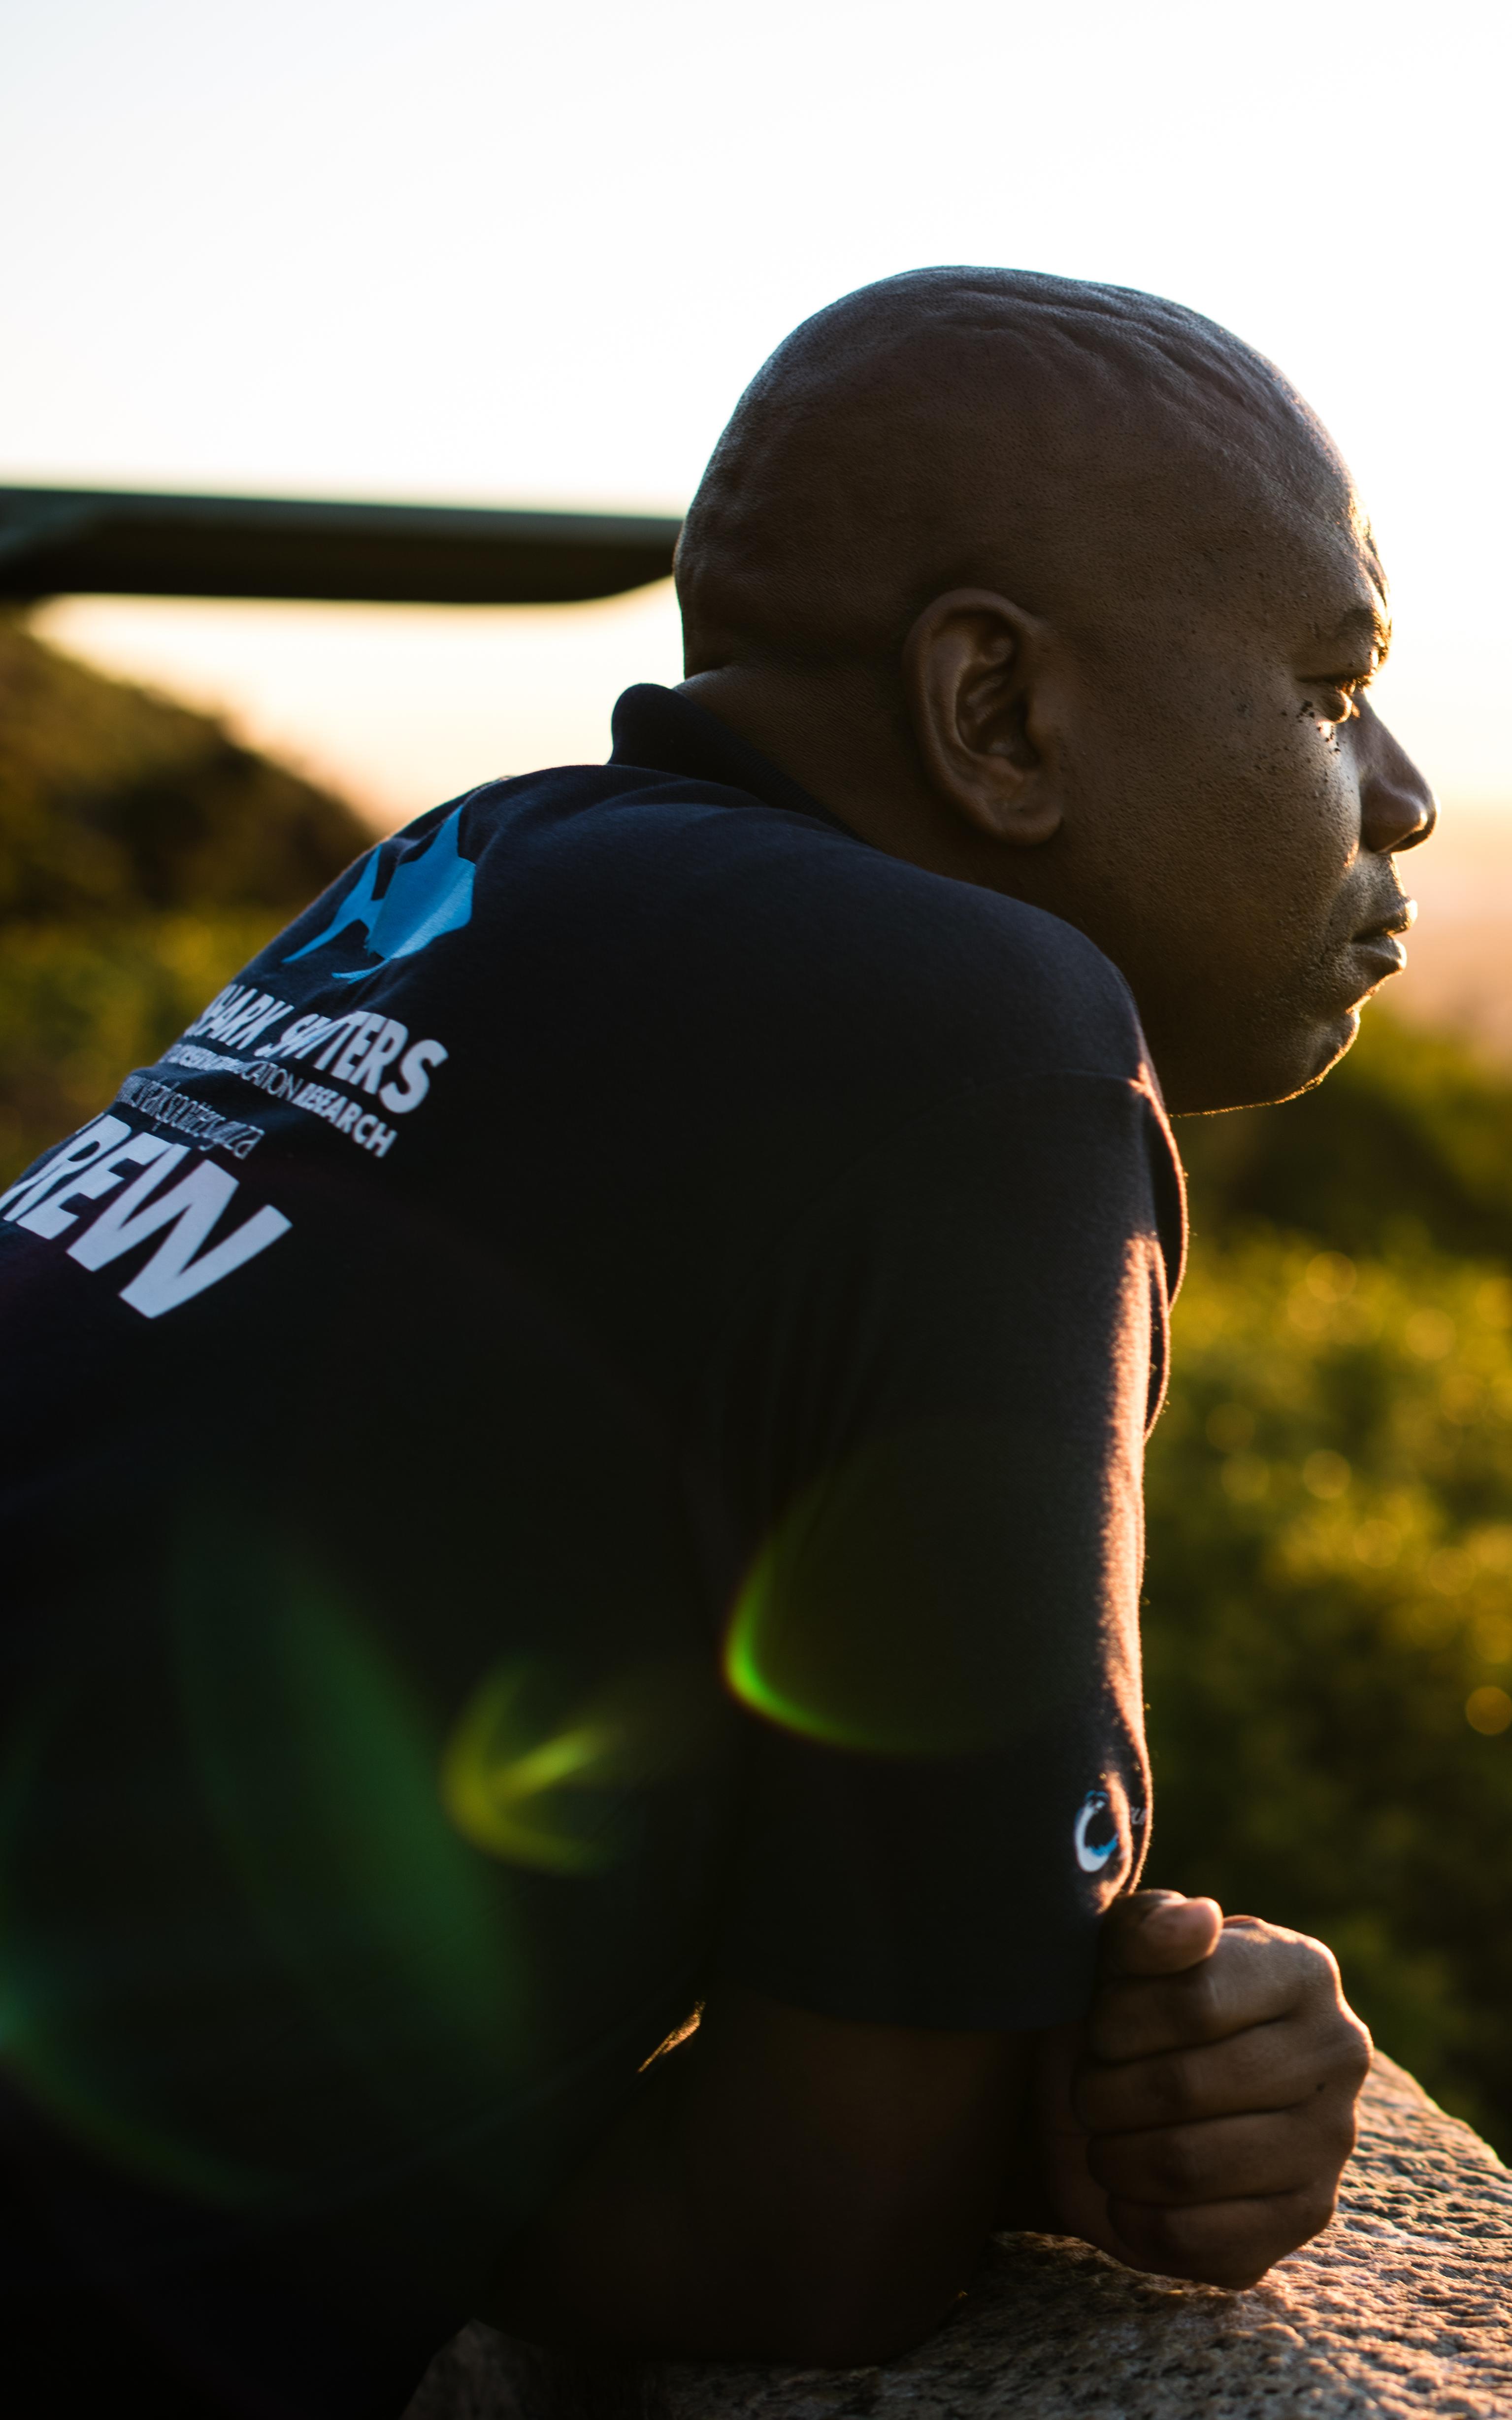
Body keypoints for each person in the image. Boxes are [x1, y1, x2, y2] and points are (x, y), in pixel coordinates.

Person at [0, 266, 1427, 2419]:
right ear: (1000, 716)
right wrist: (1010, 2101)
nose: (1400, 793)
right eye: (1334, 691)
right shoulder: (990, 1041)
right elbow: (810, 2242)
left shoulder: (472, 866)